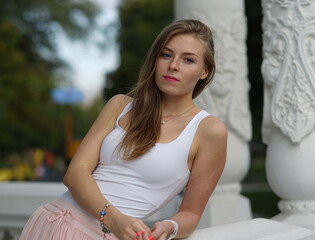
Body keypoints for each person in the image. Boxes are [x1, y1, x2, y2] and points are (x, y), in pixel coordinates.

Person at [19, 19, 227, 240]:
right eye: (166, 55)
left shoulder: (209, 131)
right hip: (56, 222)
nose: (173, 65)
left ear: (204, 71)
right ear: (155, 60)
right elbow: (75, 173)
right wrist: (113, 218)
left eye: (188, 59)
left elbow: (192, 212)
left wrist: (169, 226)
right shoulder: (120, 106)